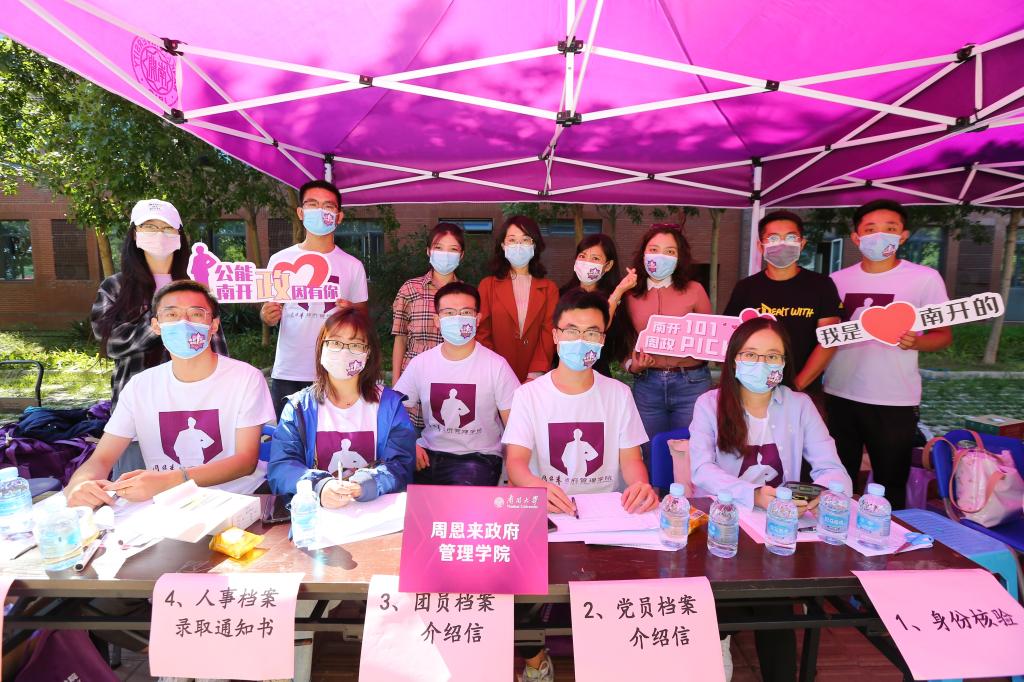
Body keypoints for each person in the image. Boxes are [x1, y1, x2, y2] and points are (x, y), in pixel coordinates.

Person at [502, 290, 655, 682]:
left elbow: (631, 460)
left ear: (602, 339)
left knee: (628, 591)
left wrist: (640, 486)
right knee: (515, 590)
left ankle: (612, 663)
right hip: (549, 517)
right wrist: (536, 486)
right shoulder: (529, 395)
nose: (580, 340)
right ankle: (535, 662)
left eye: (591, 332)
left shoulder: (618, 394)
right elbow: (516, 462)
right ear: (555, 335)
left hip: (605, 520)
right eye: (571, 330)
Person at [689, 317, 852, 682]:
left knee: (772, 600)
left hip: (779, 530)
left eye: (772, 356)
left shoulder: (800, 405)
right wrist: (753, 495)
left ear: (784, 362)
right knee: (753, 597)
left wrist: (820, 494)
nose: (761, 364)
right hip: (724, 526)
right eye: (751, 354)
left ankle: (728, 633)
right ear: (734, 359)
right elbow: (701, 469)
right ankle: (719, 635)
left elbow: (832, 468)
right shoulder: (709, 403)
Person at [67, 281, 275, 507]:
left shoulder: (245, 378)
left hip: (239, 498)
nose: (183, 322)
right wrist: (79, 485)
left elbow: (245, 462)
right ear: (156, 326)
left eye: (196, 314)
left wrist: (169, 480)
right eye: (172, 314)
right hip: (168, 506)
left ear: (214, 325)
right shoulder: (140, 387)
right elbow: (101, 458)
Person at [824, 200, 951, 509]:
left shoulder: (924, 278)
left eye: (890, 229)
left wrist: (916, 342)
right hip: (839, 392)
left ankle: (886, 533)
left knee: (890, 482)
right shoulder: (837, 280)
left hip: (894, 398)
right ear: (856, 237)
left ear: (903, 236)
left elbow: (943, 336)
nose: (880, 236)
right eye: (870, 229)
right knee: (837, 478)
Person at [91, 199, 229, 478]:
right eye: (150, 227)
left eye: (167, 228)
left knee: (193, 488)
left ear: (179, 237)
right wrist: (162, 321)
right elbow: (112, 342)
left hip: (195, 407)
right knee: (133, 488)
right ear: (135, 234)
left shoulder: (197, 285)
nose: (159, 234)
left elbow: (216, 343)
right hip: (137, 413)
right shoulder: (116, 286)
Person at [268, 307, 415, 506]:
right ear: (321, 347)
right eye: (335, 343)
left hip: (375, 514)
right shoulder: (298, 408)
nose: (344, 351)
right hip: (318, 515)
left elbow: (402, 465)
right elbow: (281, 467)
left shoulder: (390, 405)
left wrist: (369, 483)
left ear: (368, 353)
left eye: (355, 344)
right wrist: (319, 486)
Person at [261, 180, 369, 418]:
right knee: (290, 437)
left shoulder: (353, 266)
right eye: (312, 204)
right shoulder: (279, 260)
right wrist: (267, 316)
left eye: (328, 206)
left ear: (339, 216)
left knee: (332, 437)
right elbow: (270, 311)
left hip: (337, 369)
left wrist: (350, 311)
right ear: (301, 213)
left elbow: (363, 317)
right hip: (290, 370)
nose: (320, 211)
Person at [394, 282, 520, 486]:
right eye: (449, 313)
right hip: (428, 454)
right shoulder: (421, 363)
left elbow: (516, 424)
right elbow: (393, 409)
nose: (458, 318)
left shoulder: (496, 366)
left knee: (460, 498)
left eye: (466, 312)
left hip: (478, 457)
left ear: (477, 319)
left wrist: (515, 472)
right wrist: (409, 444)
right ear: (437, 320)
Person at [723, 210, 841, 402]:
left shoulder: (822, 285)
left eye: (791, 237)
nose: (783, 243)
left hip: (803, 391)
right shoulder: (746, 287)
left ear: (802, 244)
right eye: (773, 238)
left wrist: (796, 386)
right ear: (760, 246)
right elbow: (730, 337)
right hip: (751, 389)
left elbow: (829, 340)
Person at [624, 224, 711, 462]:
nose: (660, 256)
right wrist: (632, 365)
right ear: (643, 253)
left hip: (691, 383)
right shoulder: (630, 294)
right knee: (650, 453)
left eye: (670, 251)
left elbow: (710, 336)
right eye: (654, 249)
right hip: (647, 385)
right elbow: (623, 340)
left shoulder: (695, 290)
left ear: (679, 257)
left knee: (690, 453)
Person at [391, 222, 465, 427]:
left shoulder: (466, 295)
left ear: (461, 255)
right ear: (428, 251)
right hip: (413, 377)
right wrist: (397, 384)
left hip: (450, 378)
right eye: (439, 247)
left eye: (453, 249)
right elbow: (400, 339)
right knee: (411, 438)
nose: (445, 254)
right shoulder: (410, 289)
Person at [478, 215, 559, 383]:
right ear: (503, 245)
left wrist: (534, 374)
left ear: (534, 245)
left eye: (525, 240)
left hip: (534, 378)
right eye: (512, 240)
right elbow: (482, 332)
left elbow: (548, 334)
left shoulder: (549, 289)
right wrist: (496, 370)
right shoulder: (487, 286)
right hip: (495, 374)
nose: (519, 245)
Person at [557, 234, 637, 377]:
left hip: (597, 374)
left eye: (595, 258)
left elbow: (601, 326)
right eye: (582, 256)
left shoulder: (615, 299)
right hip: (562, 370)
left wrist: (618, 292)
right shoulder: (561, 294)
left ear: (608, 265)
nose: (587, 262)